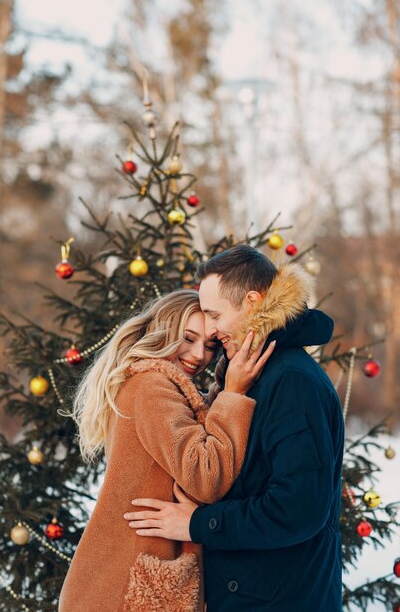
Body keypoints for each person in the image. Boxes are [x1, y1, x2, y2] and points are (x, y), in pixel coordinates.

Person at [124, 246, 345, 612]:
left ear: (253, 302)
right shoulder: (257, 371)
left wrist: (198, 524)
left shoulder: (291, 381)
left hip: (283, 601)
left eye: (214, 315)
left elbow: (299, 508)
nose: (210, 330)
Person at [58, 288, 275, 612]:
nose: (199, 354)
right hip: (125, 585)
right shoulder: (152, 386)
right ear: (163, 332)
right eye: (188, 338)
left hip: (129, 576)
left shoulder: (160, 386)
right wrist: (233, 393)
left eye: (210, 344)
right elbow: (205, 476)